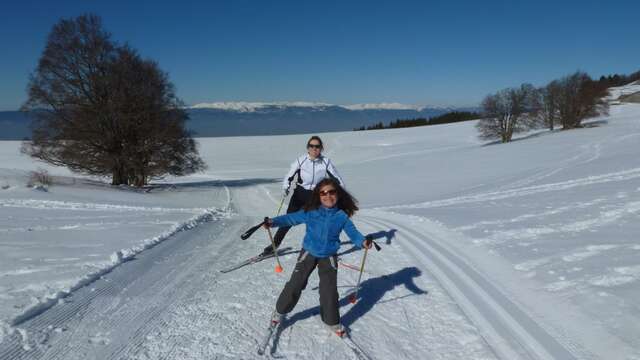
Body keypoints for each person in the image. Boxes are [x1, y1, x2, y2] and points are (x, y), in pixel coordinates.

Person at [263, 178, 372, 337]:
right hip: (309, 252)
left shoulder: (341, 216)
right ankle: (279, 312)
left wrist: (363, 242)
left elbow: (353, 234)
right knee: (296, 284)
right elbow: (291, 218)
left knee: (329, 290)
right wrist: (273, 222)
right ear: (318, 196)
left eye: (332, 192)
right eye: (323, 193)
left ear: (338, 194)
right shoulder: (311, 211)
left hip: (328, 256)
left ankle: (332, 321)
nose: (328, 196)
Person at [261, 135, 345, 256]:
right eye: (312, 146)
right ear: (308, 148)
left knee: (318, 222)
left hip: (315, 196)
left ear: (321, 148)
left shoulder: (326, 162)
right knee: (288, 219)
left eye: (317, 146)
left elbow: (337, 179)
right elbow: (289, 175)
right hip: (300, 194)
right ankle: (274, 245)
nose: (314, 148)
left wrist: (342, 194)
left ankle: (322, 247)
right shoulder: (301, 160)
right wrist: (286, 186)